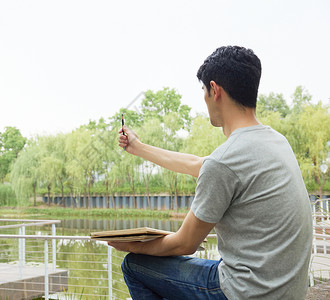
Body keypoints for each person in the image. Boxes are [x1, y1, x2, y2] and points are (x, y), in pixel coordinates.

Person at [110, 46, 312, 300]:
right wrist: (138, 148)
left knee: (135, 265)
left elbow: (184, 244)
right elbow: (199, 164)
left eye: (204, 91)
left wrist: (128, 245)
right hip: (286, 291)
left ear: (214, 90)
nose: (204, 99)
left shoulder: (225, 161)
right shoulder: (275, 142)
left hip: (246, 293)